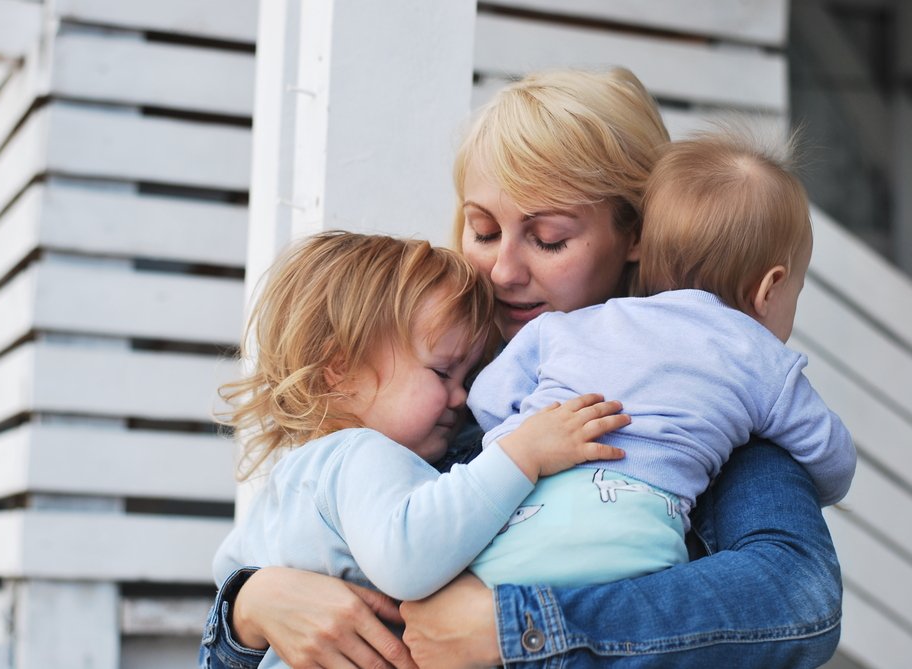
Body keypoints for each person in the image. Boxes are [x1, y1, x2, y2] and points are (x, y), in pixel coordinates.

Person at [200, 68, 845, 668]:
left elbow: (799, 597)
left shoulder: (701, 399)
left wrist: (520, 629)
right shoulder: (429, 391)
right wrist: (253, 607)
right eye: (483, 232)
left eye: (549, 239)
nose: (504, 272)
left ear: (637, 236)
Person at [206, 231, 629, 668]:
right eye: (443, 371)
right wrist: (524, 454)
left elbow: (229, 575)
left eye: (467, 377)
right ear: (340, 369)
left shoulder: (293, 478)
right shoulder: (364, 453)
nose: (461, 397)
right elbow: (409, 558)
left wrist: (251, 599)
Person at [466, 131, 857, 589]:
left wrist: (525, 438)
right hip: (635, 551)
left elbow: (488, 397)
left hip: (507, 529)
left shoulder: (568, 325)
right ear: (769, 289)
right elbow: (832, 456)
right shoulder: (762, 360)